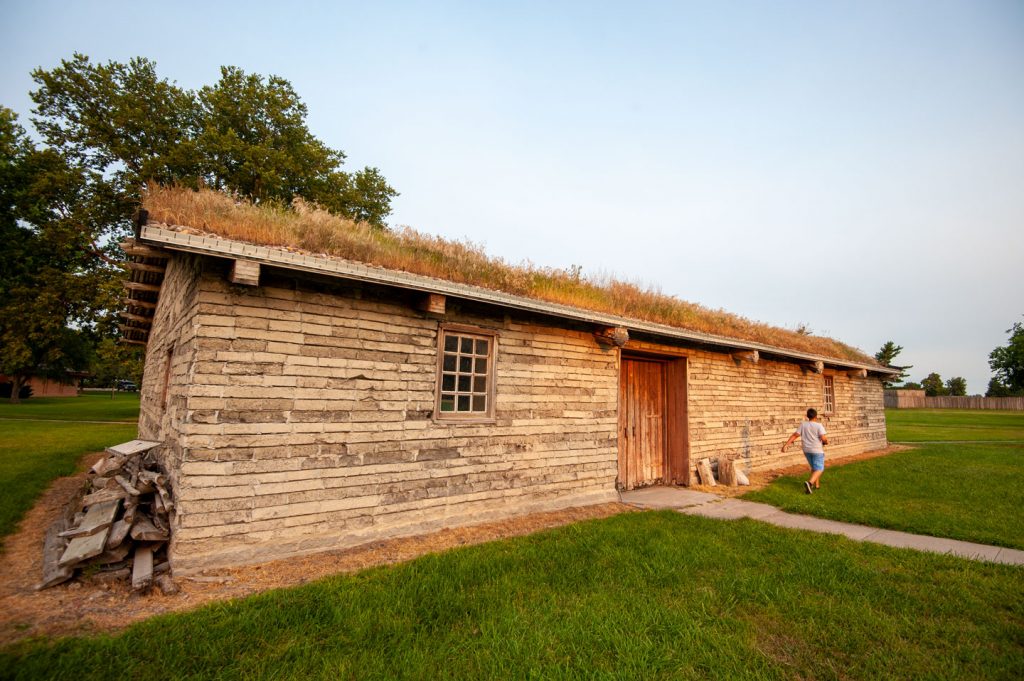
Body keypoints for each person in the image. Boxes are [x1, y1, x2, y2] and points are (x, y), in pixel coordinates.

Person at [782, 408, 829, 494]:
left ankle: (817, 485)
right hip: (817, 450)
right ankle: (810, 483)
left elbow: (795, 435)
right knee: (820, 469)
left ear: (807, 416)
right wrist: (826, 441)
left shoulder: (803, 425)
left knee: (814, 468)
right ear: (816, 416)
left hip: (807, 450)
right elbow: (823, 438)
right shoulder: (819, 426)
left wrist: (786, 445)